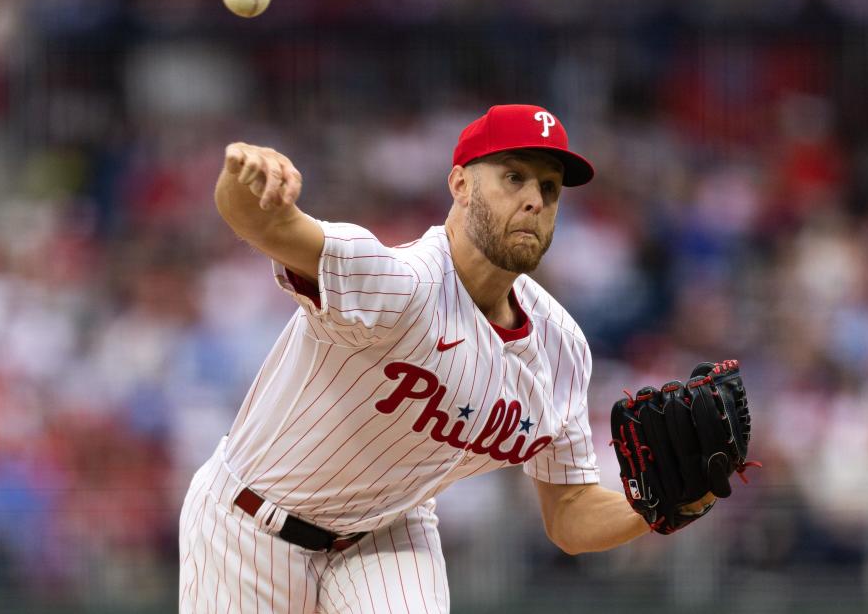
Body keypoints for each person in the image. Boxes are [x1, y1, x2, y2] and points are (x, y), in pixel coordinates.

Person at [179, 104, 701, 613]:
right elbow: (261, 222)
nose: (534, 200)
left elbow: (569, 512)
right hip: (248, 525)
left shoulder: (561, 349)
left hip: (385, 534)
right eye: (513, 177)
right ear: (460, 184)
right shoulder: (398, 284)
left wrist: (654, 506)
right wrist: (245, 173)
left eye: (548, 188)